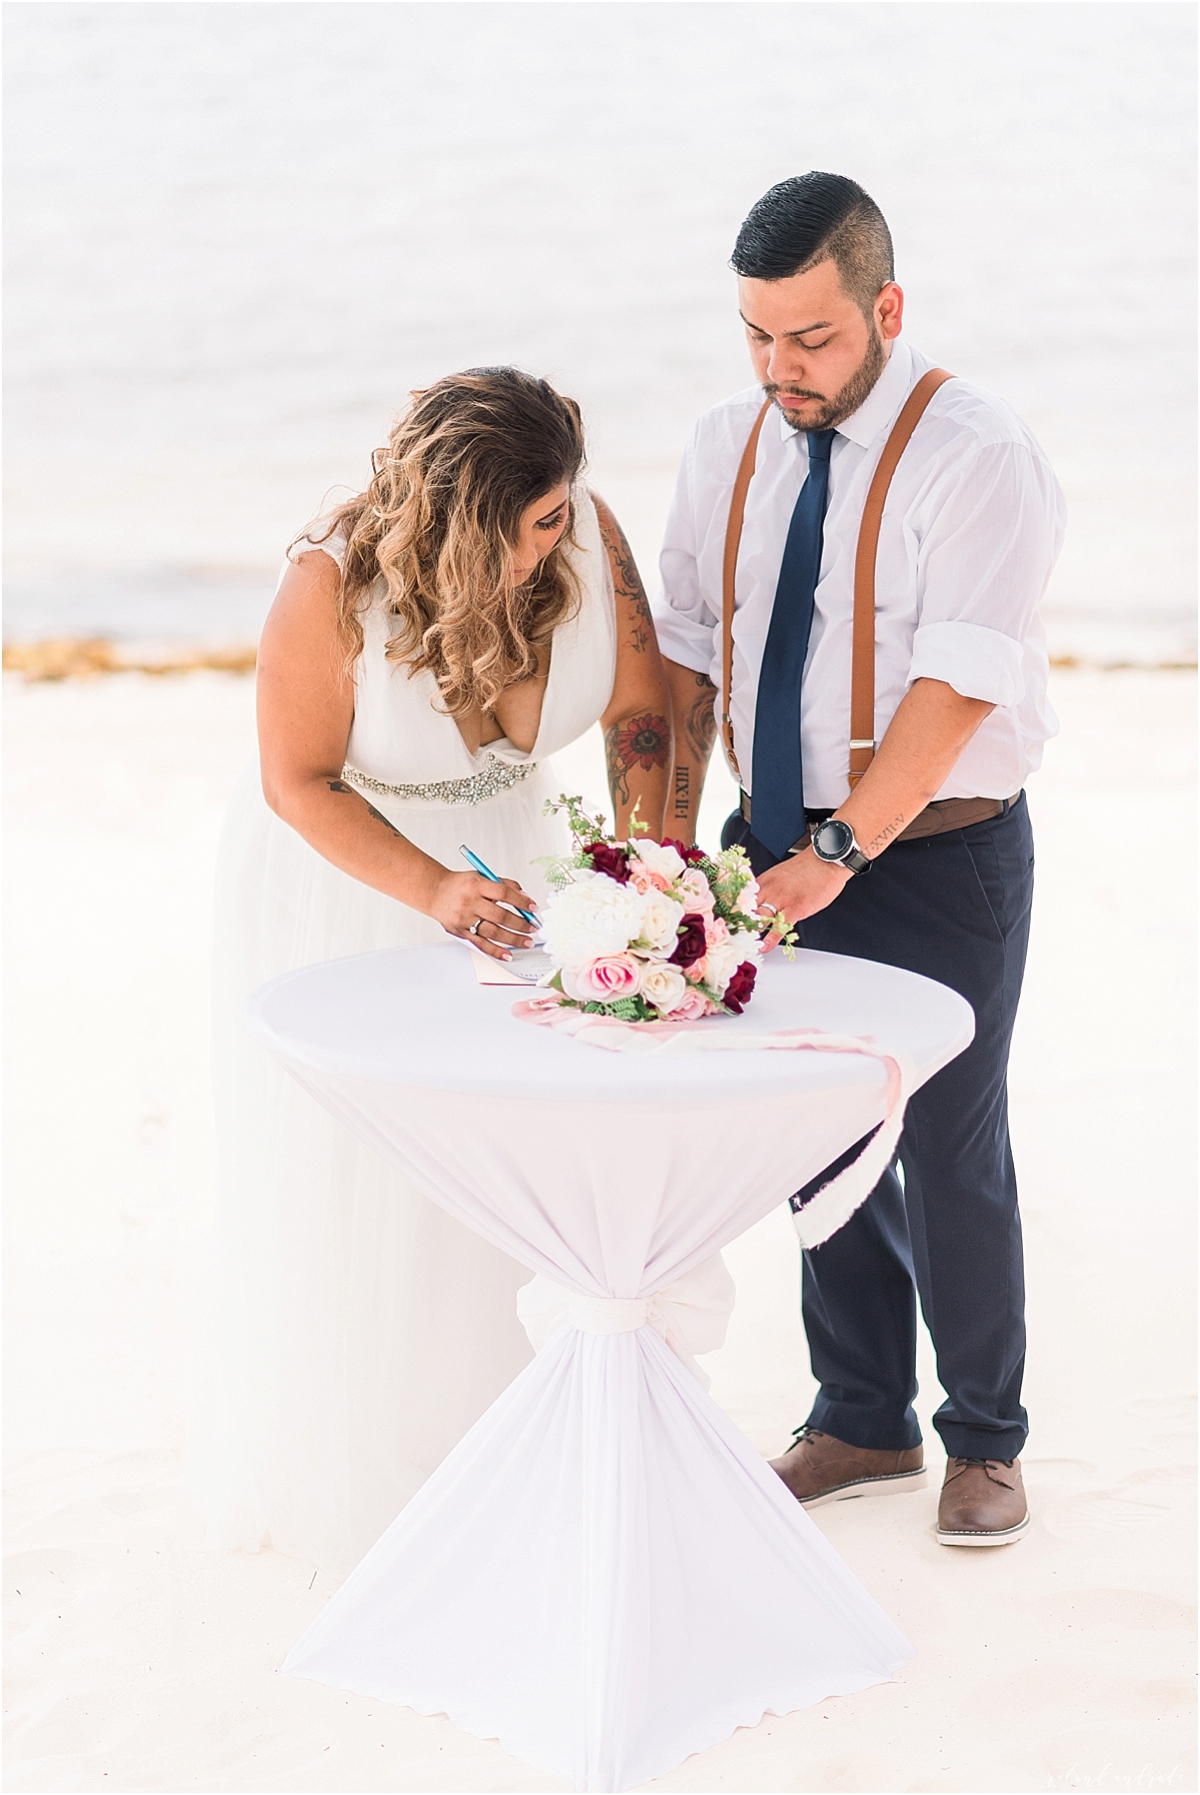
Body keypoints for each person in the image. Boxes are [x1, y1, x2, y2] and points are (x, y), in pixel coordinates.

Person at [191, 366, 671, 1573]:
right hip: (363, 892)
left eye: (555, 517)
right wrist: (434, 891)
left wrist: (646, 874)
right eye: (515, 534)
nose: (540, 555)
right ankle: (392, 1478)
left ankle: (512, 1450)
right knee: (376, 1195)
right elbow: (295, 781)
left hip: (522, 877)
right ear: (449, 523)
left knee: (516, 1174)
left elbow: (641, 709)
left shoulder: (582, 532)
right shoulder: (331, 584)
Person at [654, 174, 1064, 1546]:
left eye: (813, 339)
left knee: (950, 1139)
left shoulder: (978, 454)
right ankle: (863, 1411)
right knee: (815, 1135)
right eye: (760, 337)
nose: (783, 369)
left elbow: (954, 689)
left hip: (941, 853)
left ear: (885, 307)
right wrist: (658, 840)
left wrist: (838, 846)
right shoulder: (727, 441)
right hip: (767, 849)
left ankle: (986, 1438)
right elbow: (688, 652)